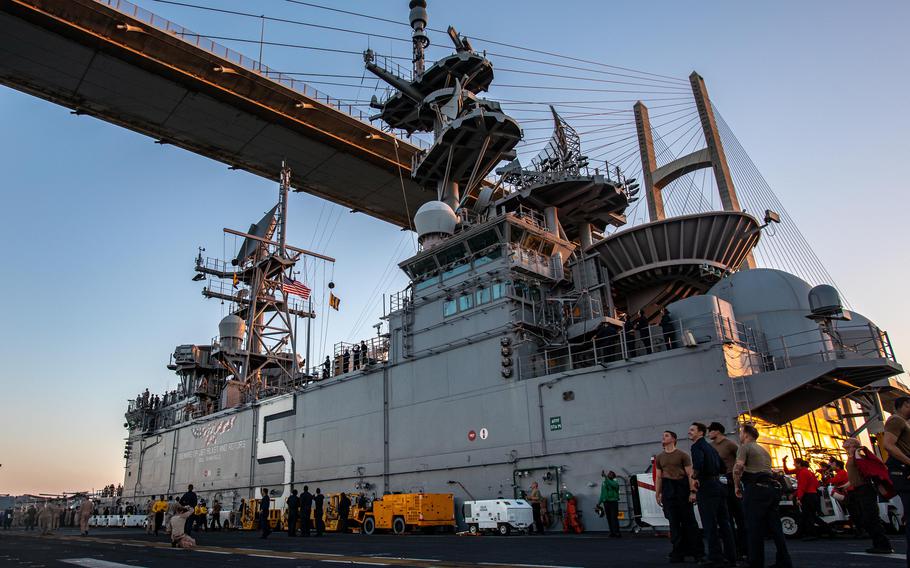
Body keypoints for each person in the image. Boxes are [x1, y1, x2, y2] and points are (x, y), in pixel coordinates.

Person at [733, 424, 792, 568]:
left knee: (754, 527)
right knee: (776, 527)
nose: (740, 435)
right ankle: (784, 561)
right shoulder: (764, 450)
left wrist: (736, 485)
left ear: (746, 434)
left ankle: (755, 562)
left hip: (756, 489)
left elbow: (738, 467)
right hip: (771, 489)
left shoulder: (744, 447)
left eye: (741, 432)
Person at [688, 422, 736, 567]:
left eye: (692, 430)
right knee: (725, 523)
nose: (689, 432)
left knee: (709, 524)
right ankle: (731, 556)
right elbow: (722, 466)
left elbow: (698, 464)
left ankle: (715, 557)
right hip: (719, 486)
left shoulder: (696, 446)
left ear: (700, 433)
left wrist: (695, 478)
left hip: (707, 487)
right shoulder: (711, 448)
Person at [654, 430, 703, 564]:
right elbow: (659, 477)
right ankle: (678, 552)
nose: (663, 437)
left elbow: (690, 475)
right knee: (673, 523)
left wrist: (692, 491)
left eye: (666, 435)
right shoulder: (659, 457)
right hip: (668, 489)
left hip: (682, 488)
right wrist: (657, 493)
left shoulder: (682, 455)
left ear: (674, 439)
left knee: (689, 522)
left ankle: (697, 553)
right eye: (663, 435)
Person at [841, 437, 893, 554]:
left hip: (865, 488)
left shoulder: (857, 455)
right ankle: (878, 543)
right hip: (859, 488)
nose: (845, 446)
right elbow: (856, 473)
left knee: (871, 517)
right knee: (867, 517)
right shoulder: (852, 456)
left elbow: (865, 469)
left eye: (848, 444)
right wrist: (848, 484)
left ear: (853, 445)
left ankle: (883, 544)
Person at [707, 422, 746, 559]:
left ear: (717, 431)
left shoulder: (729, 444)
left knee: (739, 515)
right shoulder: (710, 447)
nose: (708, 433)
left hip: (731, 480)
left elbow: (741, 459)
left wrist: (739, 478)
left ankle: (744, 548)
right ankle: (732, 549)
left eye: (710, 431)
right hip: (719, 481)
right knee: (725, 517)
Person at [882, 395, 910, 567]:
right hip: (904, 472)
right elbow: (888, 445)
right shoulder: (896, 420)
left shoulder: (903, 422)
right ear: (905, 404)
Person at [782, 456, 823, 540]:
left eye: (795, 463)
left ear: (799, 464)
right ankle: (826, 530)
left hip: (808, 495)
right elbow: (787, 472)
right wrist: (784, 462)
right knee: (811, 515)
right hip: (813, 494)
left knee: (807, 515)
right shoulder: (806, 471)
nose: (794, 465)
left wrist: (798, 497)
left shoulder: (802, 473)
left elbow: (802, 486)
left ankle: (812, 534)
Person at [598, 470, 621, 538]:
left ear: (613, 476)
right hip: (606, 502)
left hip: (613, 502)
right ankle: (612, 532)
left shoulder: (615, 482)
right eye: (608, 474)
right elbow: (602, 494)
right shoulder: (604, 483)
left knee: (614, 518)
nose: (609, 474)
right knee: (609, 518)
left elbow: (612, 484)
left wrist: (605, 477)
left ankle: (617, 533)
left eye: (611, 474)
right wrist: (599, 503)